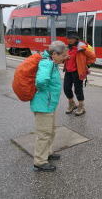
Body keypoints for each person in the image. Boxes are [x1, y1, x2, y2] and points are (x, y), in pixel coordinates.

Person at [31, 41, 68, 172]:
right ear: (54, 54)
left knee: (50, 130)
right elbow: (41, 81)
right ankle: (40, 162)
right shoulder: (47, 63)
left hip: (48, 105)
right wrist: (46, 93)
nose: (64, 58)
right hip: (43, 105)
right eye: (63, 56)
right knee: (44, 133)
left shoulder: (51, 62)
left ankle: (47, 153)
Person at [63, 32, 96, 116]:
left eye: (71, 38)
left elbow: (93, 57)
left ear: (76, 39)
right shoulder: (68, 48)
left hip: (78, 72)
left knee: (78, 89)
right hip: (68, 71)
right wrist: (64, 58)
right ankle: (72, 104)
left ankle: (81, 106)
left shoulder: (82, 47)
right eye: (68, 38)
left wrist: (86, 65)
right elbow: (64, 58)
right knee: (66, 88)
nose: (69, 40)